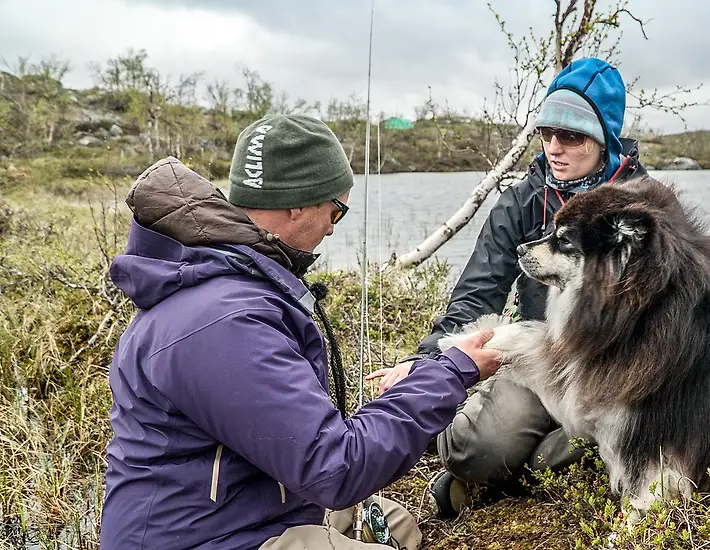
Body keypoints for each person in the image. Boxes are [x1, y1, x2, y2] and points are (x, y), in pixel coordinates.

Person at [99, 114, 503, 550]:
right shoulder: (225, 324)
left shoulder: (231, 284)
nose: (332, 227)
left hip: (241, 507)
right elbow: (337, 469)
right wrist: (452, 371)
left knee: (394, 523)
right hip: (206, 539)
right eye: (336, 210)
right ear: (297, 205)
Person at [366, 57, 649, 516]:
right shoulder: (522, 198)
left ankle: (534, 466)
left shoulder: (641, 210)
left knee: (628, 436)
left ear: (604, 140)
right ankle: (510, 456)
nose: (554, 148)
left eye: (572, 136)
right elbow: (478, 292)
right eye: (546, 133)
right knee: (476, 451)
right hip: (543, 360)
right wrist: (426, 364)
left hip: (615, 375)